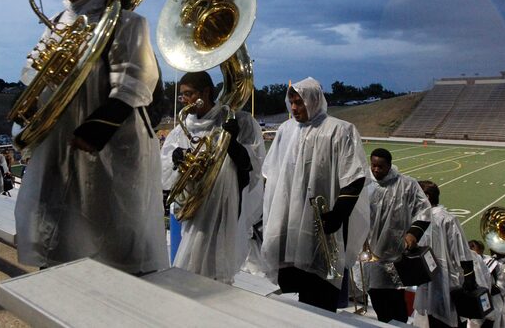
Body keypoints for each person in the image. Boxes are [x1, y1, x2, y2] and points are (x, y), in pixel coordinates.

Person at [14, 0, 168, 275]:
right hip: (59, 141)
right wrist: (28, 102)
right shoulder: (61, 21)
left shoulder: (127, 21)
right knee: (57, 227)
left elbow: (135, 81)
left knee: (107, 230)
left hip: (105, 144)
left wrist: (96, 128)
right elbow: (37, 70)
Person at [261, 77, 370, 312]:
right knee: (299, 291)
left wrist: (338, 215)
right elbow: (272, 174)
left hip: (322, 226)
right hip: (290, 225)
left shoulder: (340, 130)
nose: (294, 108)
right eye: (291, 102)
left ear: (313, 100)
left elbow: (355, 177)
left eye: (299, 102)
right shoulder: (285, 131)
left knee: (321, 296)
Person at [160, 71, 264, 283]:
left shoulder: (238, 121)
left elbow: (251, 169)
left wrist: (231, 142)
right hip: (195, 209)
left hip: (223, 206)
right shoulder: (182, 129)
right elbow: (164, 174)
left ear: (205, 93)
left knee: (218, 267)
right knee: (191, 266)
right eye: (182, 96)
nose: (184, 101)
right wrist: (176, 158)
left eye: (188, 94)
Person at [363, 147, 431, 323]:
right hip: (368, 251)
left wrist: (413, 234)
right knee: (375, 295)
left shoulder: (406, 184)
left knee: (395, 298)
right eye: (373, 165)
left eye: (381, 166)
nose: (376, 170)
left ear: (390, 166)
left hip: (394, 253)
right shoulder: (364, 183)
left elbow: (424, 210)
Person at [414, 180, 479, 328]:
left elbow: (462, 252)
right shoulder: (423, 218)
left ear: (427, 197)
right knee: (438, 318)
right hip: (434, 280)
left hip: (445, 280)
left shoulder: (446, 219)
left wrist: (469, 277)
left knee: (444, 317)